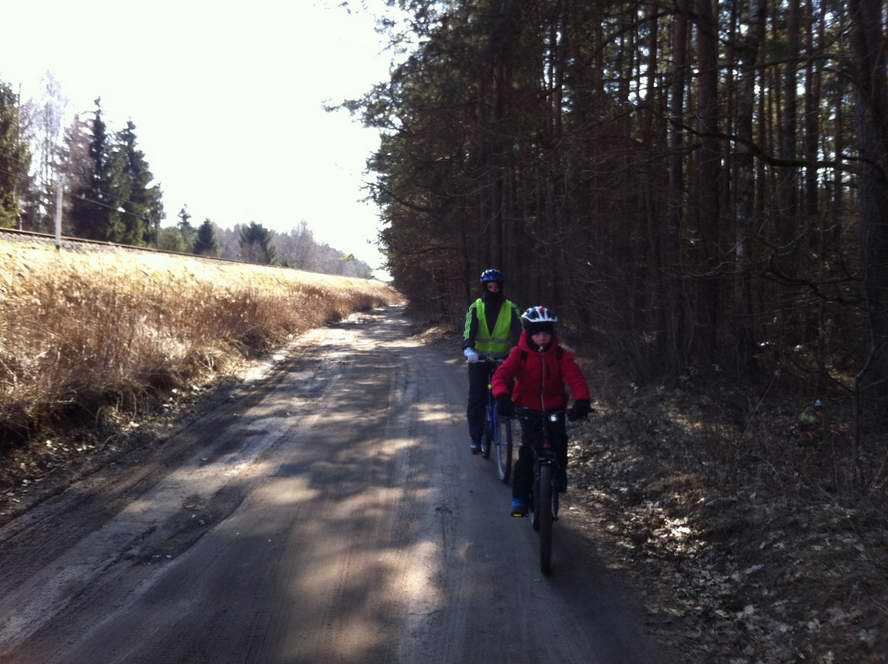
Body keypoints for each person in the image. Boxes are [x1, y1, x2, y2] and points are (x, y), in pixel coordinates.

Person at [491, 306, 591, 517]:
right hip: (528, 408)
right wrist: (501, 396)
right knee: (527, 453)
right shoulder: (519, 354)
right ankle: (519, 498)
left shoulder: (560, 355)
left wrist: (582, 400)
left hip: (554, 407)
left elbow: (575, 378)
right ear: (528, 333)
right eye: (536, 333)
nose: (542, 337)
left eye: (546, 332)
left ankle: (560, 474)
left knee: (560, 441)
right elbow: (501, 375)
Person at [462, 268, 522, 454]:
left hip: (503, 360)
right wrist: (468, 349)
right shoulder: (476, 307)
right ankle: (476, 438)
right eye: (490, 286)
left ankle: (505, 422)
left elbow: (519, 332)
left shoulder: (510, 308)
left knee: (506, 396)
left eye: (496, 286)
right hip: (479, 360)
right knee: (477, 398)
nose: (494, 289)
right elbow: (468, 332)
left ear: (501, 287)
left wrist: (517, 349)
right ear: (485, 287)